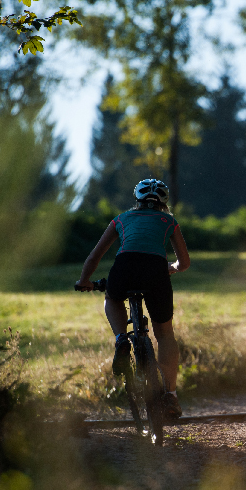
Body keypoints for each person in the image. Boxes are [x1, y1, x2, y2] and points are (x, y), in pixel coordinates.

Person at [75, 179, 189, 420]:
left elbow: (95, 256)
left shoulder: (121, 219)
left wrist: (84, 280)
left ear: (137, 200)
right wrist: (172, 268)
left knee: (112, 297)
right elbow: (184, 262)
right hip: (156, 271)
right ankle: (170, 395)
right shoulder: (169, 221)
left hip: (124, 268)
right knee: (165, 335)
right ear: (163, 203)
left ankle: (121, 340)